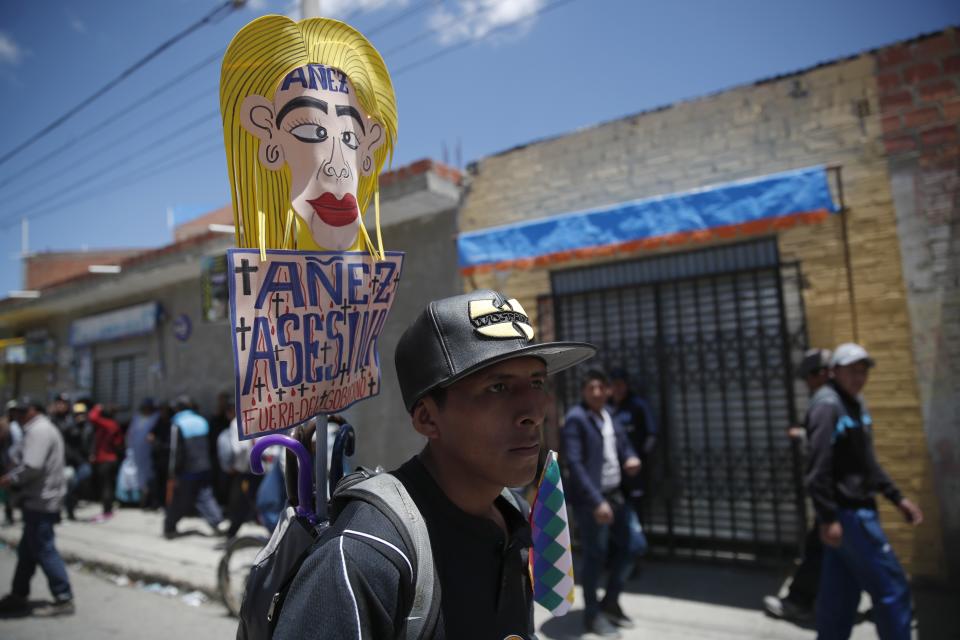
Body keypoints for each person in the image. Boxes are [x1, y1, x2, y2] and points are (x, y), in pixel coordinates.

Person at [275, 289, 595, 639]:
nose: (534, 412)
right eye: (498, 387)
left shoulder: (513, 514)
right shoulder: (364, 556)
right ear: (427, 418)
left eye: (536, 382)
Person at [806, 343, 923, 640]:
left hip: (856, 512)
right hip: (850, 516)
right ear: (835, 371)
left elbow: (866, 462)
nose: (859, 377)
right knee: (893, 588)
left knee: (840, 596)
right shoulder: (828, 406)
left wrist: (897, 497)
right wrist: (827, 517)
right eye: (852, 371)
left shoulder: (855, 404)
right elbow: (817, 468)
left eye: (863, 371)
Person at [561, 369, 646, 638]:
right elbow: (574, 464)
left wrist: (631, 457)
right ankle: (592, 616)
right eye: (591, 388)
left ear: (608, 390)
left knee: (634, 546)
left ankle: (610, 601)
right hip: (592, 501)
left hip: (615, 494)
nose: (597, 392)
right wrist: (597, 502)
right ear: (584, 391)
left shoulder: (609, 415)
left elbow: (623, 444)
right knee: (595, 558)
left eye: (601, 387)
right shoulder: (576, 419)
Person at [763, 348, 830, 622]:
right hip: (841, 493)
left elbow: (825, 447)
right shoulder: (838, 399)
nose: (806, 384)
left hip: (835, 494)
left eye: (808, 378)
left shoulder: (826, 402)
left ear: (821, 374)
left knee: (821, 548)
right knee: (841, 550)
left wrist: (801, 436)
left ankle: (799, 600)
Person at [0, 398, 74, 616]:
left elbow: (32, 465)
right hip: (38, 499)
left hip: (42, 500)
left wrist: (10, 479)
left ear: (33, 410)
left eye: (22, 411)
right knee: (27, 552)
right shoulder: (38, 429)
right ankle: (19, 594)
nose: (18, 416)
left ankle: (63, 597)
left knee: (43, 548)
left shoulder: (39, 431)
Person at [163, 396, 225, 539]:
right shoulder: (201, 421)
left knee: (179, 499)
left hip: (187, 469)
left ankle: (169, 527)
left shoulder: (177, 423)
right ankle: (218, 522)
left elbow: (175, 451)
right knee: (205, 495)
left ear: (178, 408)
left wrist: (172, 472)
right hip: (204, 466)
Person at [608, 368, 657, 524]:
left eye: (620, 384)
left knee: (635, 514)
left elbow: (652, 434)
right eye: (614, 385)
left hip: (634, 470)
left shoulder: (637, 405)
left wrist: (640, 457)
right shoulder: (606, 407)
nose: (617, 388)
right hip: (612, 470)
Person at [88, 403, 122, 522]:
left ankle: (107, 511)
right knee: (108, 486)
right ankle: (108, 510)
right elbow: (118, 442)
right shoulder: (114, 424)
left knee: (105, 487)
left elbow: (92, 417)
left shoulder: (107, 424)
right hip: (111, 459)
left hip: (106, 460)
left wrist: (97, 407)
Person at [62, 403, 93, 521]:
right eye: (77, 414)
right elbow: (66, 443)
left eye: (82, 414)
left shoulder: (89, 427)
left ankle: (72, 505)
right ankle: (69, 510)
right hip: (71, 462)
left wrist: (91, 453)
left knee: (79, 482)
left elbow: (91, 443)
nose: (80, 416)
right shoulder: (69, 427)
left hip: (83, 461)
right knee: (70, 487)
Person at [126, 398, 159, 509]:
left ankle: (151, 502)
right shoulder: (137, 418)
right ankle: (141, 501)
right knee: (138, 478)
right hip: (136, 452)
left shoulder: (155, 418)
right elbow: (130, 434)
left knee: (151, 478)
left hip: (149, 453)